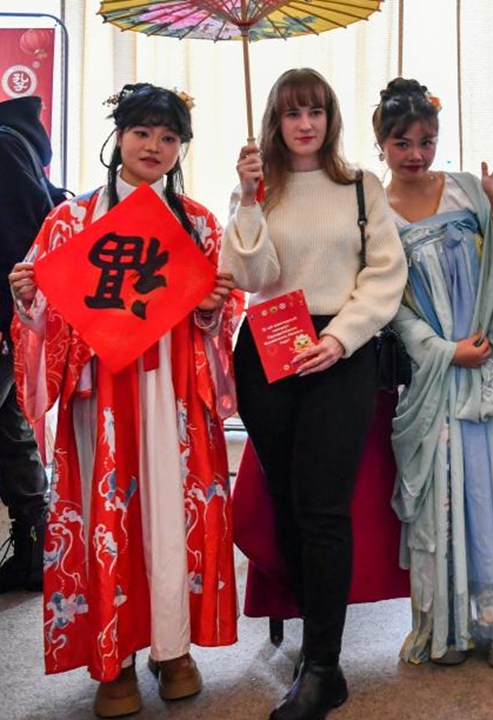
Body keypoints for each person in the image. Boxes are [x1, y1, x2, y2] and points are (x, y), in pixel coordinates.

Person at [8, 84, 239, 718]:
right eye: (143, 133)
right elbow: (44, 319)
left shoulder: (197, 223)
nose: (154, 147)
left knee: (170, 518)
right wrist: (30, 297)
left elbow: (220, 321)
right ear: (119, 138)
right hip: (100, 397)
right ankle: (113, 658)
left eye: (169, 138)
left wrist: (216, 311)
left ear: (180, 148)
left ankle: (174, 649)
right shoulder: (70, 222)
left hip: (172, 396)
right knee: (108, 521)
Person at [222, 68, 406, 719]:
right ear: (275, 119)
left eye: (317, 111)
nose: (306, 124)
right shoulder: (258, 190)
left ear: (330, 119)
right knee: (290, 502)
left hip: (340, 348)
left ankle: (324, 666)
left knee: (325, 506)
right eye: (294, 113)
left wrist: (343, 338)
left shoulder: (362, 186)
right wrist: (246, 201)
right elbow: (250, 274)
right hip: (269, 344)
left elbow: (386, 274)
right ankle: (313, 652)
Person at [376, 77, 493, 670]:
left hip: (487, 368)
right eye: (402, 142)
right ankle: (448, 628)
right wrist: (441, 349)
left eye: (427, 140)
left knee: (490, 490)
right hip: (436, 374)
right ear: (380, 142)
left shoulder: (466, 190)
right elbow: (388, 307)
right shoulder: (373, 212)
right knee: (444, 498)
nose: (415, 154)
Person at [0, 95, 64, 594]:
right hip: (10, 322)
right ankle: (33, 549)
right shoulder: (17, 144)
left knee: (11, 432)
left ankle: (33, 547)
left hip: (5, 318)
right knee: (10, 432)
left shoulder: (3, 146)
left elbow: (18, 242)